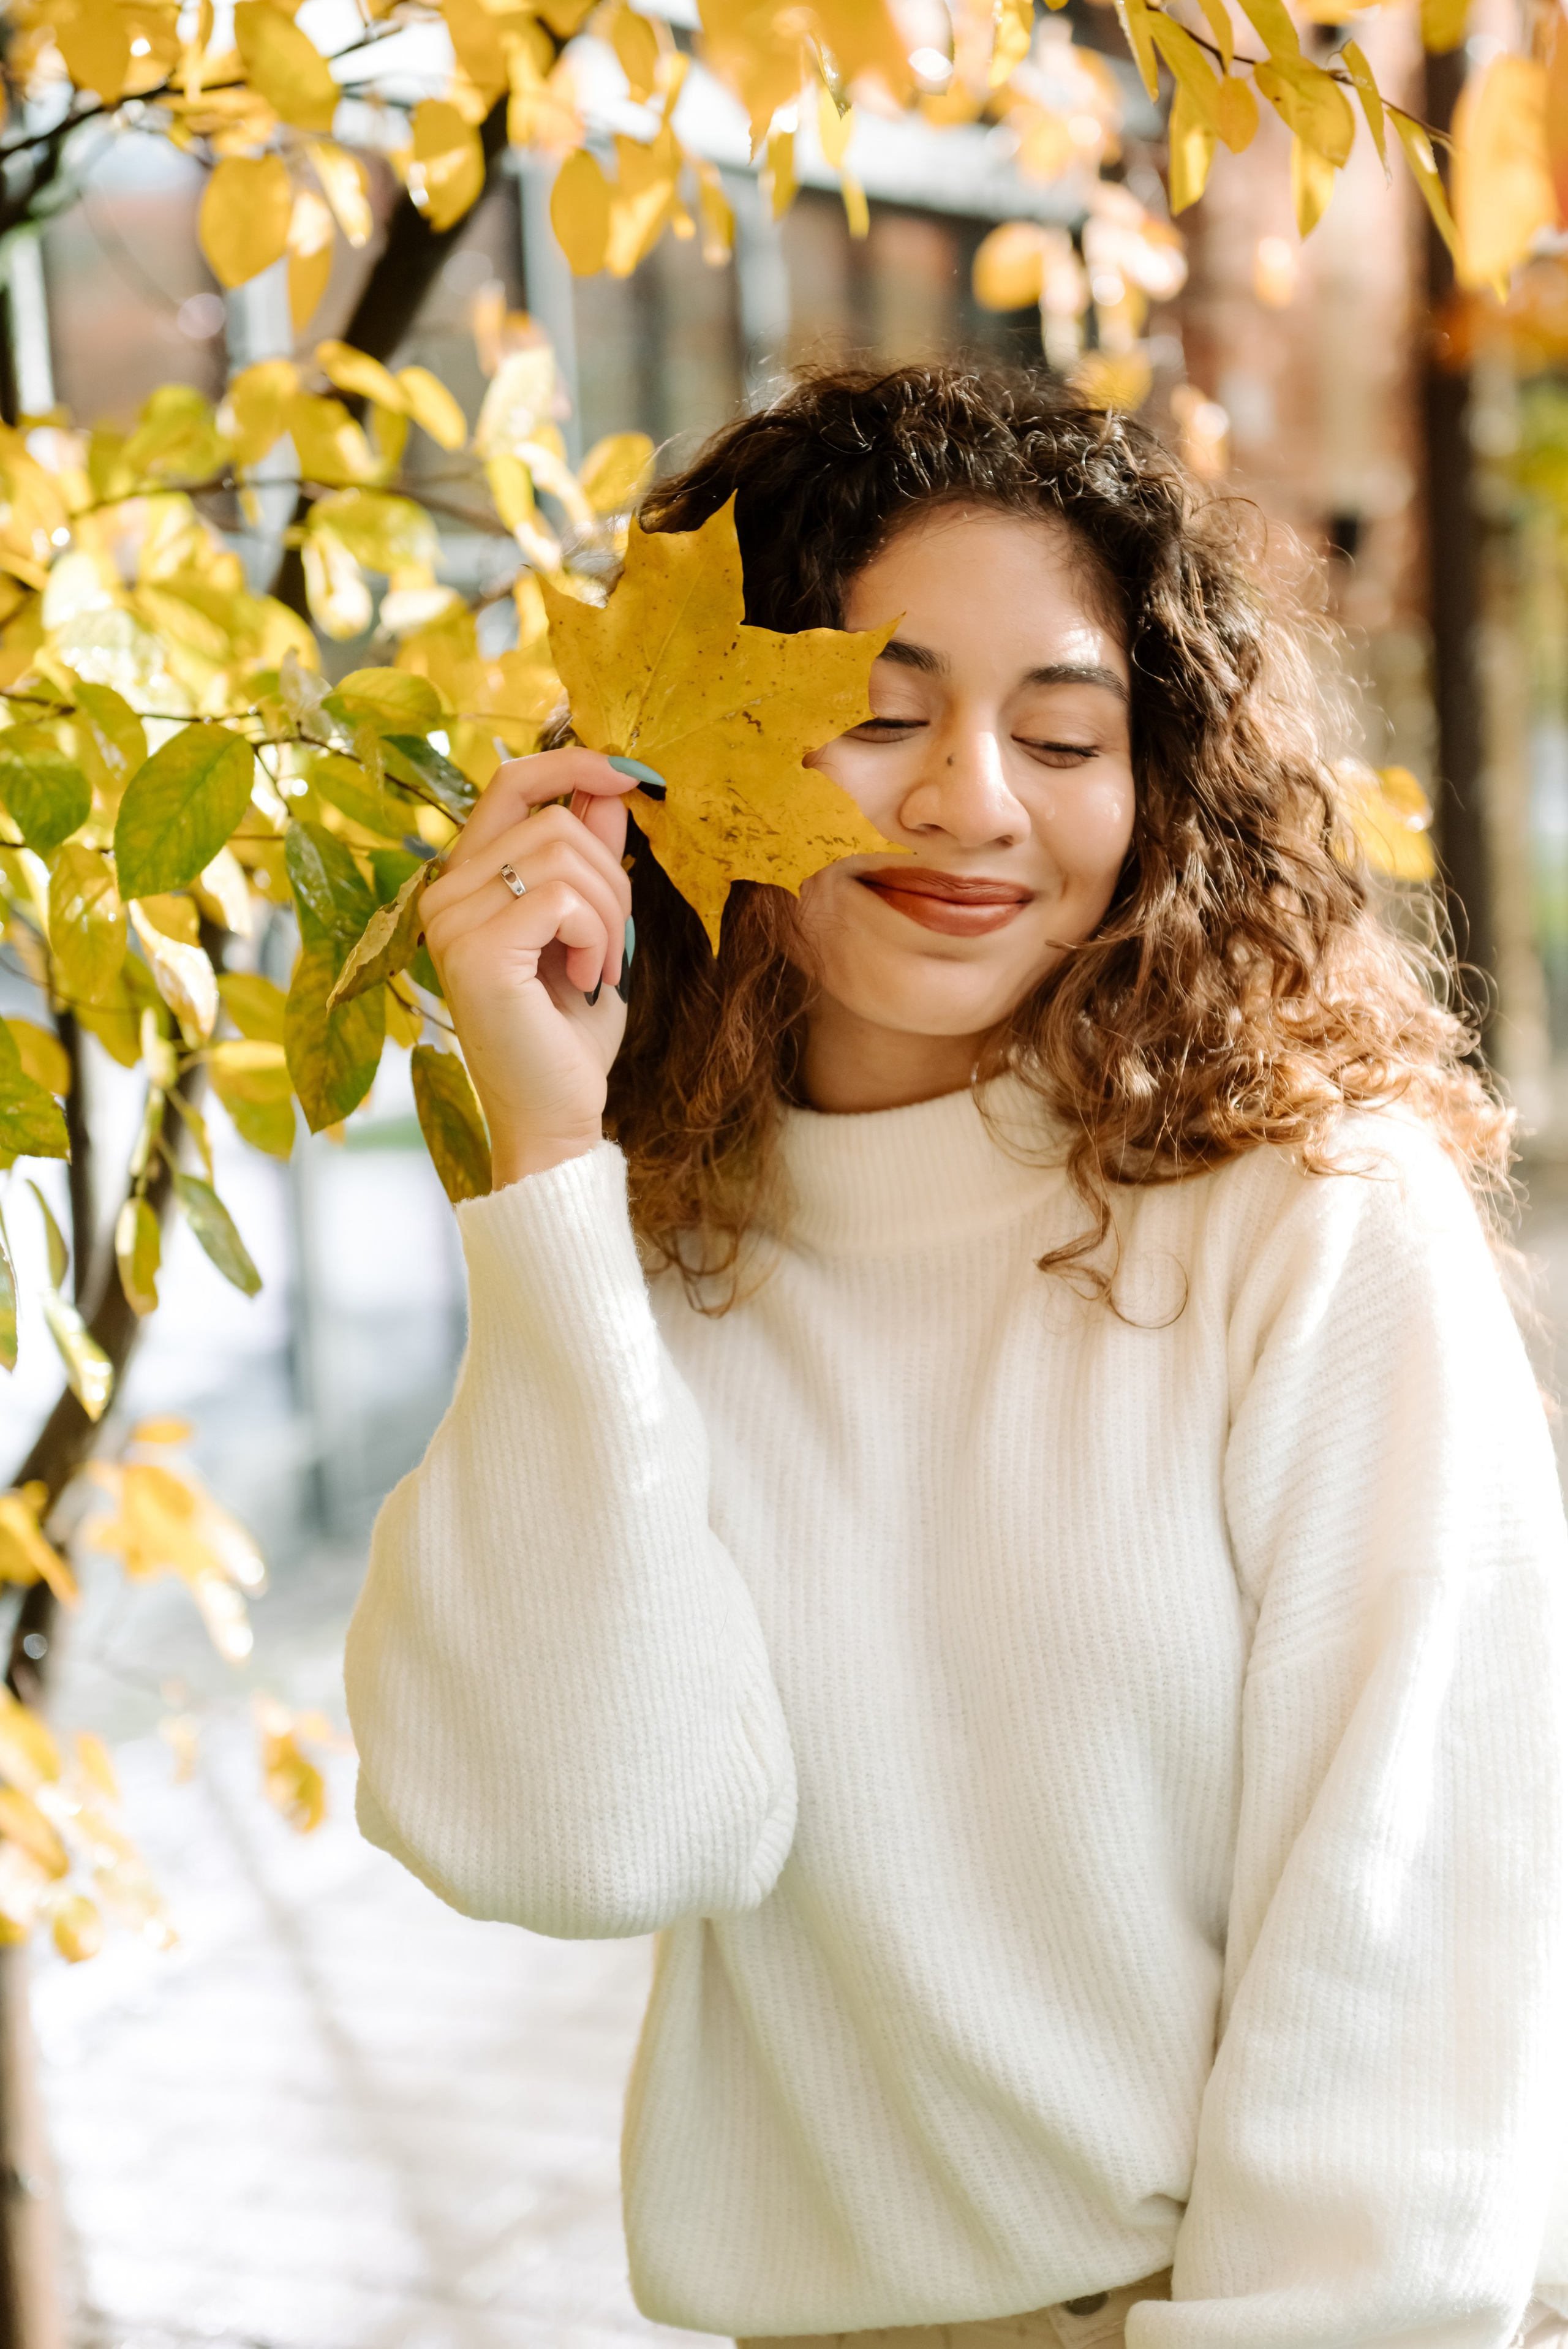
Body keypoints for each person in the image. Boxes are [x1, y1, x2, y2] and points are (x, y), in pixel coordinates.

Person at [343, 364, 1568, 2349]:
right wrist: (550, 1160)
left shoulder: (1314, 1225)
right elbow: (594, 1830)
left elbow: (1415, 1933)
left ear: (1156, 781)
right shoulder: (645, 1246)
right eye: (879, 714)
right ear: (684, 761)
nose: (970, 800)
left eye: (1063, 731)